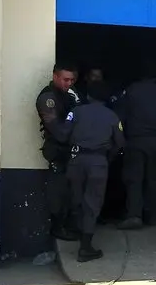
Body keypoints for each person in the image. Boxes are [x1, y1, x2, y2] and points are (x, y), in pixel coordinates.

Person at [64, 79, 125, 262]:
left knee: (76, 198)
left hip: (75, 160)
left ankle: (75, 231)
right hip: (98, 162)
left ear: (88, 96)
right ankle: (85, 247)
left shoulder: (75, 112)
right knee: (92, 203)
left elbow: (63, 133)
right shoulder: (112, 116)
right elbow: (120, 143)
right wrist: (108, 156)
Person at [116, 62, 156, 228]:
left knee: (134, 179)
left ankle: (134, 215)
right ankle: (152, 214)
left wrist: (120, 139)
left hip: (135, 141)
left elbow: (120, 116)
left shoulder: (131, 90)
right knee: (153, 179)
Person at [35, 64, 81, 242]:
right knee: (59, 192)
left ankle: (70, 225)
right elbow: (59, 131)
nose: (69, 83)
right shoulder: (48, 98)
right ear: (55, 76)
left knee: (72, 193)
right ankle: (58, 228)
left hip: (72, 151)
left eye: (72, 80)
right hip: (58, 151)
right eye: (65, 79)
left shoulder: (70, 94)